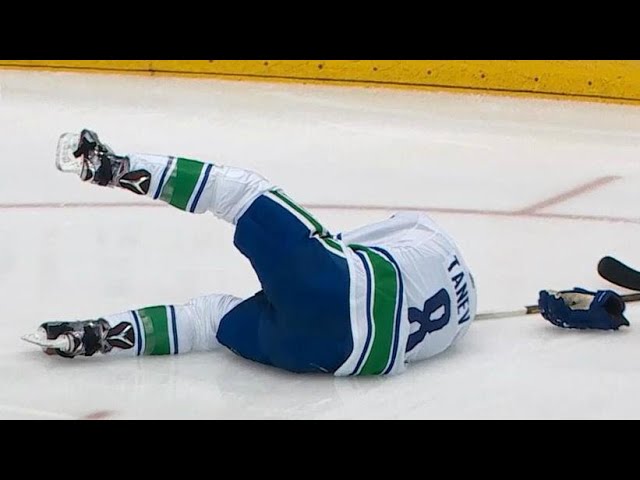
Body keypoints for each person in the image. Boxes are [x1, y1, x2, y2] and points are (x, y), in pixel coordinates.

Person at [23, 130, 626, 376]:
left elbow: (343, 247)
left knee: (244, 193)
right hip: (329, 355)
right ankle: (103, 335)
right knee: (212, 319)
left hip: (337, 292)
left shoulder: (422, 236)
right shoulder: (456, 321)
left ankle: (114, 167)